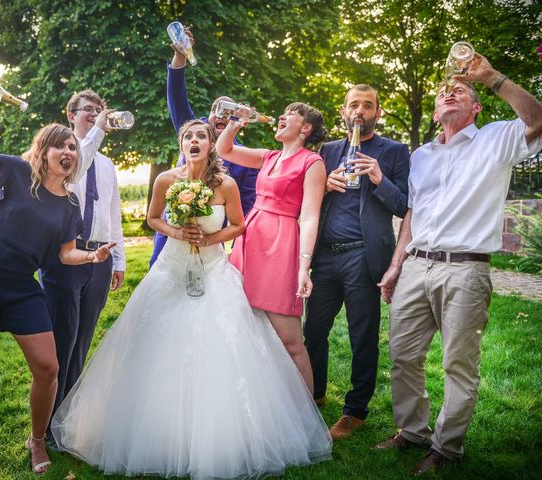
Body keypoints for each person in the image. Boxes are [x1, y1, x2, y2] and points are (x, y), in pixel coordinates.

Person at [52, 119, 332, 478]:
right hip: (171, 268)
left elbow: (239, 225)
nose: (195, 140)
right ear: (181, 143)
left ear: (211, 145)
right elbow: (153, 218)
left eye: (202, 136)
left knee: (221, 347)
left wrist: (210, 240)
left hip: (214, 271)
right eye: (189, 136)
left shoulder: (225, 184)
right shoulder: (166, 180)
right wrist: (176, 230)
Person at [375, 54, 542, 475]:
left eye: (459, 91)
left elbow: (539, 119)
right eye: (442, 93)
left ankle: (446, 448)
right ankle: (412, 431)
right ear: (436, 112)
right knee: (403, 355)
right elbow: (413, 214)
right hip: (417, 265)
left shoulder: (496, 139)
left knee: (458, 363)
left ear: (475, 107)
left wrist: (489, 77)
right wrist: (397, 264)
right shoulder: (421, 156)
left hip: (466, 269)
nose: (448, 93)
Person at [0, 94, 115, 479]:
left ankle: (36, 438)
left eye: (73, 146)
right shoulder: (18, 171)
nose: (69, 150)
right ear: (45, 150)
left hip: (20, 287)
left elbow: (65, 253)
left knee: (48, 367)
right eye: (61, 144)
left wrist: (91, 257)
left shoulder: (69, 205)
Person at [303, 85, 409, 440]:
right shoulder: (328, 150)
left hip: (364, 256)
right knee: (313, 331)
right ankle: (315, 393)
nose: (360, 111)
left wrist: (379, 177)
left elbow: (403, 206)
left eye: (368, 105)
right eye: (354, 105)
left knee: (362, 335)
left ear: (377, 112)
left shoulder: (393, 151)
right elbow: (307, 203)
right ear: (344, 111)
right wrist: (324, 186)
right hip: (326, 257)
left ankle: (355, 411)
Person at [216, 102, 327, 393]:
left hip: (281, 244)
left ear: (305, 128)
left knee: (291, 341)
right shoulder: (269, 157)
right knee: (246, 326)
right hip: (250, 239)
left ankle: (308, 415)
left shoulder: (312, 163)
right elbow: (223, 150)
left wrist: (304, 266)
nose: (281, 116)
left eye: (290, 114)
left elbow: (311, 215)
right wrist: (235, 123)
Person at [40, 90, 126, 446]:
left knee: (83, 340)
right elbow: (79, 165)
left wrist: (118, 260)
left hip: (99, 261)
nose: (95, 114)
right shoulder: (65, 157)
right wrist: (98, 131)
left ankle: (68, 419)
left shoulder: (107, 164)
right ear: (71, 113)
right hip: (65, 259)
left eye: (99, 110)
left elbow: (113, 212)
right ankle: (45, 423)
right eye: (88, 110)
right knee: (63, 340)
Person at [150, 26, 259, 266]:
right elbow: (177, 97)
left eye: (229, 112)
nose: (221, 115)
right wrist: (180, 57)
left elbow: (248, 214)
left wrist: (230, 248)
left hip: (211, 245)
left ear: (237, 119)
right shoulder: (193, 131)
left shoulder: (247, 161)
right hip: (170, 239)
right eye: (216, 110)